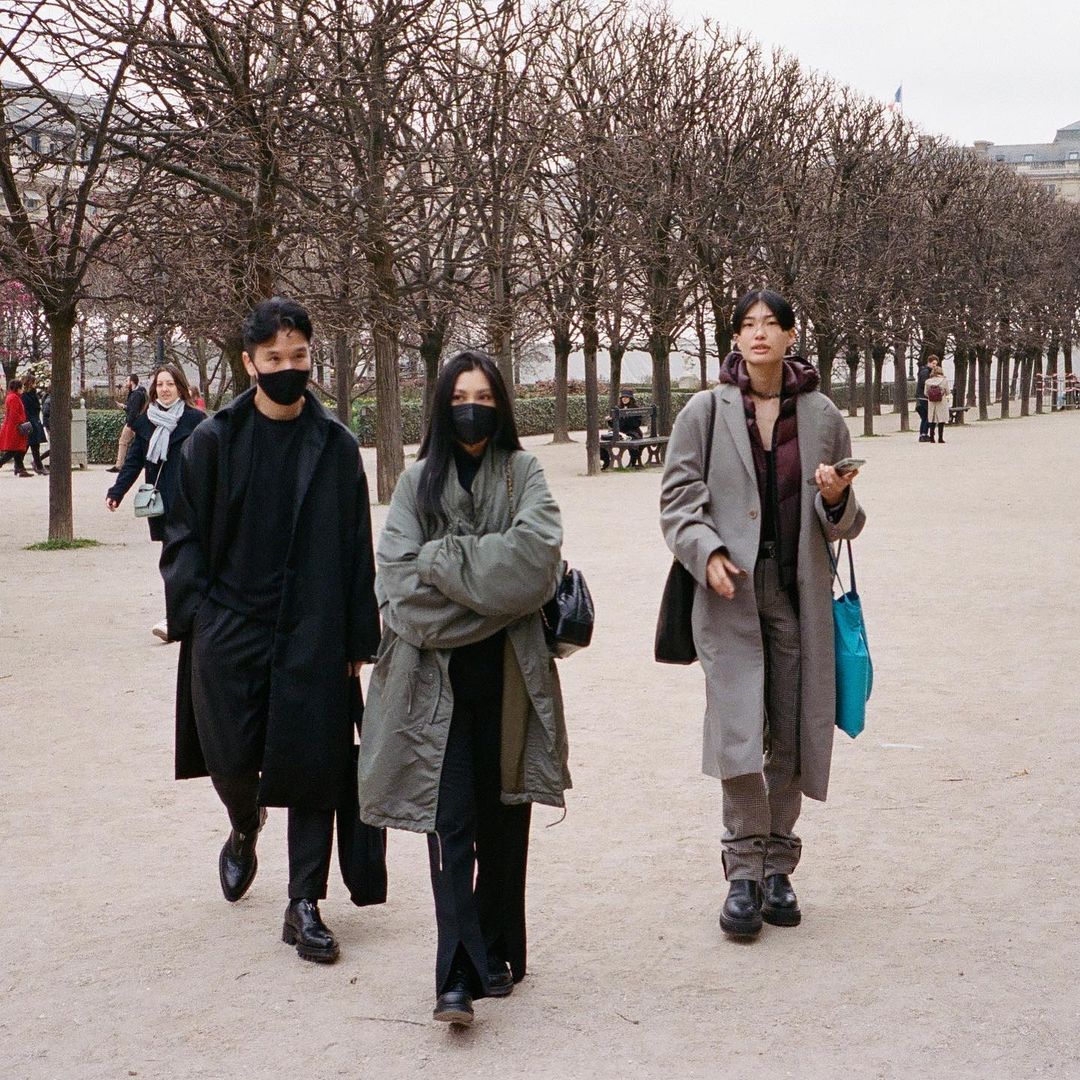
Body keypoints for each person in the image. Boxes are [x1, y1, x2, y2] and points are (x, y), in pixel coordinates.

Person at [160, 297, 381, 965]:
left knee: (316, 761)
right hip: (229, 622)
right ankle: (243, 821)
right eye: (274, 357)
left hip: (313, 626)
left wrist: (356, 641)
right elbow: (182, 533)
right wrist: (198, 616)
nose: (289, 368)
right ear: (250, 362)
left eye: (299, 355)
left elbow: (356, 547)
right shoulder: (213, 441)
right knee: (229, 755)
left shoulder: (336, 446)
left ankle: (303, 902)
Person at [358, 348, 570, 1026]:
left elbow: (536, 563)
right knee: (449, 824)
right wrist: (496, 596)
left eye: (482, 397)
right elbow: (400, 591)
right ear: (441, 408)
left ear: (500, 405)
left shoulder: (523, 472)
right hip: (433, 690)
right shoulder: (415, 482)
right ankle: (454, 973)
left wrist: (442, 558)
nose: (470, 409)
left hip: (509, 680)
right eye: (458, 399)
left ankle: (499, 948)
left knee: (506, 817)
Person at [660, 288, 866, 940]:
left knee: (793, 732)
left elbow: (847, 523)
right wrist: (709, 552)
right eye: (747, 325)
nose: (758, 334)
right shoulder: (704, 411)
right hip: (731, 598)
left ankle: (779, 866)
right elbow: (677, 501)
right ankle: (743, 873)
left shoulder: (822, 414)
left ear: (789, 335)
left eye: (770, 324)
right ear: (736, 337)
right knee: (740, 736)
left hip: (799, 596)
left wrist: (835, 500)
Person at [105, 364, 207, 640]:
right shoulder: (145, 422)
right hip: (162, 503)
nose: (164, 389)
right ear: (153, 390)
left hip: (192, 502)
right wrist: (117, 492)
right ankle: (174, 616)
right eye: (160, 385)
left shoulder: (196, 421)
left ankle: (185, 615)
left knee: (191, 559)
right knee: (171, 561)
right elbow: (134, 462)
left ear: (180, 388)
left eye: (170, 384)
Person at [108, 374, 148, 473]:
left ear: (132, 382)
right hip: (138, 423)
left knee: (123, 442)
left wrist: (129, 423)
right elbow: (133, 408)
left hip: (133, 423)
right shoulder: (138, 393)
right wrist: (124, 407)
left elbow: (133, 410)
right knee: (141, 443)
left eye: (127, 381)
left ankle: (119, 465)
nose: (126, 383)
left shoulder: (136, 394)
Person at [600, 388, 644, 470]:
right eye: (623, 397)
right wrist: (610, 420)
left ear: (631, 398)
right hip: (619, 432)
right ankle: (606, 461)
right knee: (603, 440)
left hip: (633, 432)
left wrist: (626, 416)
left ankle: (632, 462)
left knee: (631, 441)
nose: (624, 399)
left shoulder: (635, 408)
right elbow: (614, 426)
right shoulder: (618, 408)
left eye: (626, 397)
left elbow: (636, 424)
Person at [0, 378, 32, 477]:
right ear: (17, 388)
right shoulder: (14, 398)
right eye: (21, 387)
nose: (22, 389)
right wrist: (22, 422)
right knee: (13, 450)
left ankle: (21, 469)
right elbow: (15, 414)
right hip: (15, 428)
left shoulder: (11, 397)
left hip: (12, 426)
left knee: (17, 449)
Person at [20, 372, 48, 474]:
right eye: (34, 383)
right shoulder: (25, 396)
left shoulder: (31, 394)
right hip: (30, 422)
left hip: (34, 421)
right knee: (32, 445)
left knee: (31, 445)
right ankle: (38, 466)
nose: (35, 385)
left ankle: (20, 465)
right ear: (30, 383)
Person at [924, 360, 951, 444]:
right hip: (941, 402)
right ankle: (940, 438)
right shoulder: (944, 381)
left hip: (931, 402)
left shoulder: (928, 382)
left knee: (932, 420)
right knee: (941, 420)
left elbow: (925, 393)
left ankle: (932, 438)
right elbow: (948, 392)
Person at [915, 355, 934, 441]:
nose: (934, 365)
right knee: (928, 416)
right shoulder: (926, 372)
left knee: (924, 417)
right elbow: (925, 384)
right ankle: (924, 434)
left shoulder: (924, 371)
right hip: (924, 397)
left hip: (921, 396)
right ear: (929, 362)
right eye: (933, 363)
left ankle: (922, 435)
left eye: (935, 364)